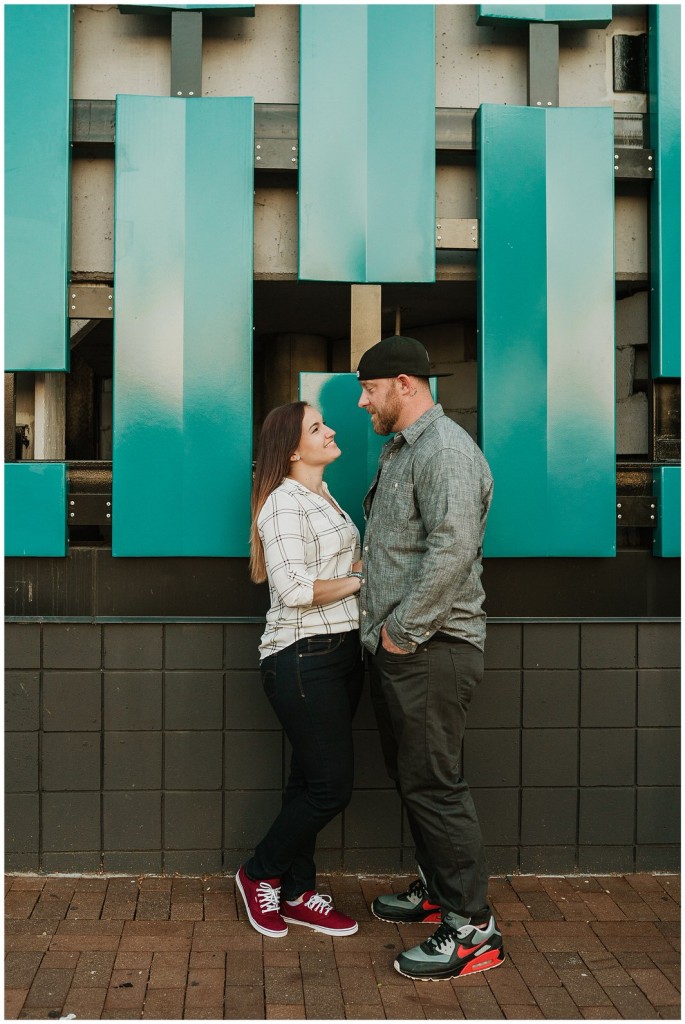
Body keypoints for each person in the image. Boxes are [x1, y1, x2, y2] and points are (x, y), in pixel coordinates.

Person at [356, 335, 504, 981]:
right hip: (410, 650)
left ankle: (473, 931)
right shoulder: (402, 450)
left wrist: (400, 634)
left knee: (435, 786)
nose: (362, 402)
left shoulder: (443, 451)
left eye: (369, 389)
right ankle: (436, 890)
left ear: (404, 385)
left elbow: (451, 552)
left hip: (430, 649)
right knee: (415, 778)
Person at [237, 400, 364, 939]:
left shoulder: (323, 497)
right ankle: (258, 872)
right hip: (302, 657)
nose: (331, 429)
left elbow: (332, 570)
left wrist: (356, 572)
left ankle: (296, 890)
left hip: (339, 652)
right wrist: (366, 578)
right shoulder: (283, 505)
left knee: (308, 779)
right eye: (318, 427)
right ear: (292, 450)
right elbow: (293, 591)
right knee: (331, 787)